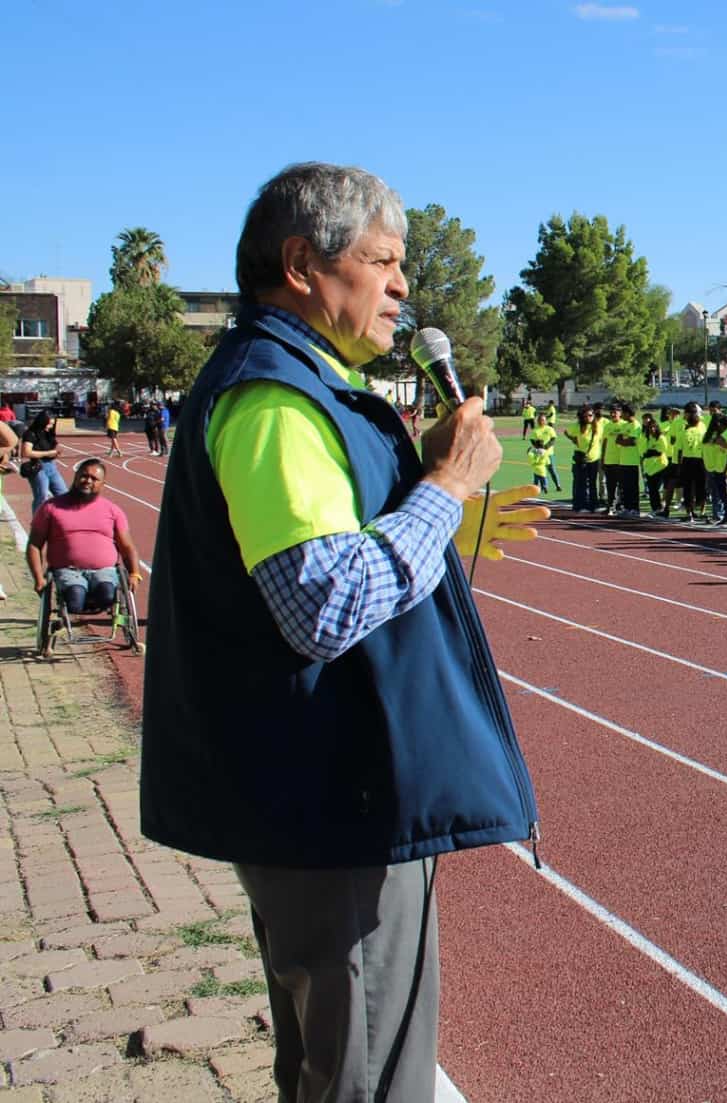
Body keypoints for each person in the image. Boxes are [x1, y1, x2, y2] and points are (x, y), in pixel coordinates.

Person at [140, 162, 547, 1103]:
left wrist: (430, 513)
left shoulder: (301, 384)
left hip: (322, 794)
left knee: (329, 1069)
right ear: (301, 264)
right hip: (327, 801)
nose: (404, 284)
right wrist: (441, 494)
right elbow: (320, 606)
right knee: (368, 1077)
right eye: (384, 261)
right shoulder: (277, 397)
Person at [27, 459, 143, 637]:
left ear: (102, 484)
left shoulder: (112, 510)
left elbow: (127, 546)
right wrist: (38, 578)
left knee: (106, 595)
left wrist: (134, 573)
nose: (87, 481)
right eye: (84, 476)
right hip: (68, 570)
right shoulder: (50, 508)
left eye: (94, 478)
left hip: (104, 570)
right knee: (75, 599)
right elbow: (34, 545)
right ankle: (69, 613)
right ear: (75, 477)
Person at [19, 410, 67, 516]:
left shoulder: (48, 433)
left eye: (53, 424)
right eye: (49, 424)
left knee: (63, 494)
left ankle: (63, 519)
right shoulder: (30, 433)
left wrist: (55, 453)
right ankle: (37, 523)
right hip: (38, 467)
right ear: (42, 422)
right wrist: (48, 453)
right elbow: (26, 452)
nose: (50, 426)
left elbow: (50, 449)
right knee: (42, 496)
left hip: (51, 466)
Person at [565, 405, 604, 513]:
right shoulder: (577, 426)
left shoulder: (598, 426)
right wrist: (574, 440)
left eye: (590, 415)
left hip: (594, 459)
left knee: (592, 483)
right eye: (586, 416)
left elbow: (603, 439)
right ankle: (580, 505)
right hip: (581, 459)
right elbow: (566, 432)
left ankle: (593, 505)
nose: (588, 417)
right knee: (581, 483)